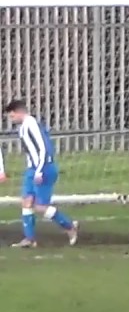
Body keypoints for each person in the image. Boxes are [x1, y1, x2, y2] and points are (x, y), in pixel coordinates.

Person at [1, 99, 79, 247]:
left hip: (43, 168)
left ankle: (70, 226)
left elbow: (43, 147)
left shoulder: (31, 124)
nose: (11, 120)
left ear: (19, 112)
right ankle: (29, 239)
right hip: (32, 169)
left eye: (12, 116)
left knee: (40, 207)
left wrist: (39, 170)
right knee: (26, 202)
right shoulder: (23, 127)